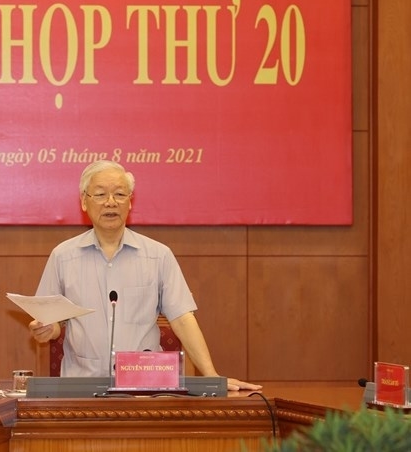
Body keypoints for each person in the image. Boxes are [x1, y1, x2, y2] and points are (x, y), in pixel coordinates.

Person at [29, 160, 261, 391]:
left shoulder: (158, 256)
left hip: (144, 387)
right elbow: (50, 322)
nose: (111, 202)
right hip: (81, 387)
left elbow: (182, 318)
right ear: (84, 201)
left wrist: (211, 377)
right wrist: (46, 330)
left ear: (130, 202)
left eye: (120, 194)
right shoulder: (63, 256)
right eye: (100, 194)